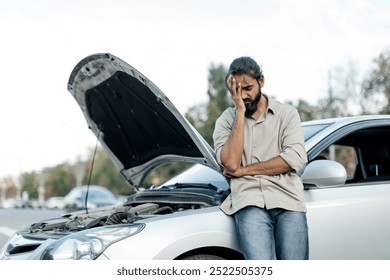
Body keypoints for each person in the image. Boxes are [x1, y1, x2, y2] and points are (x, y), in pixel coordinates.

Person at [213, 56, 309, 260]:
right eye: (236, 90)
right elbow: (230, 163)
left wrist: (243, 171)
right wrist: (239, 113)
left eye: (247, 88)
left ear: (261, 81)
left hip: (288, 200)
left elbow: (295, 158)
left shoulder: (287, 114)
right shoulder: (225, 120)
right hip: (249, 201)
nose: (243, 95)